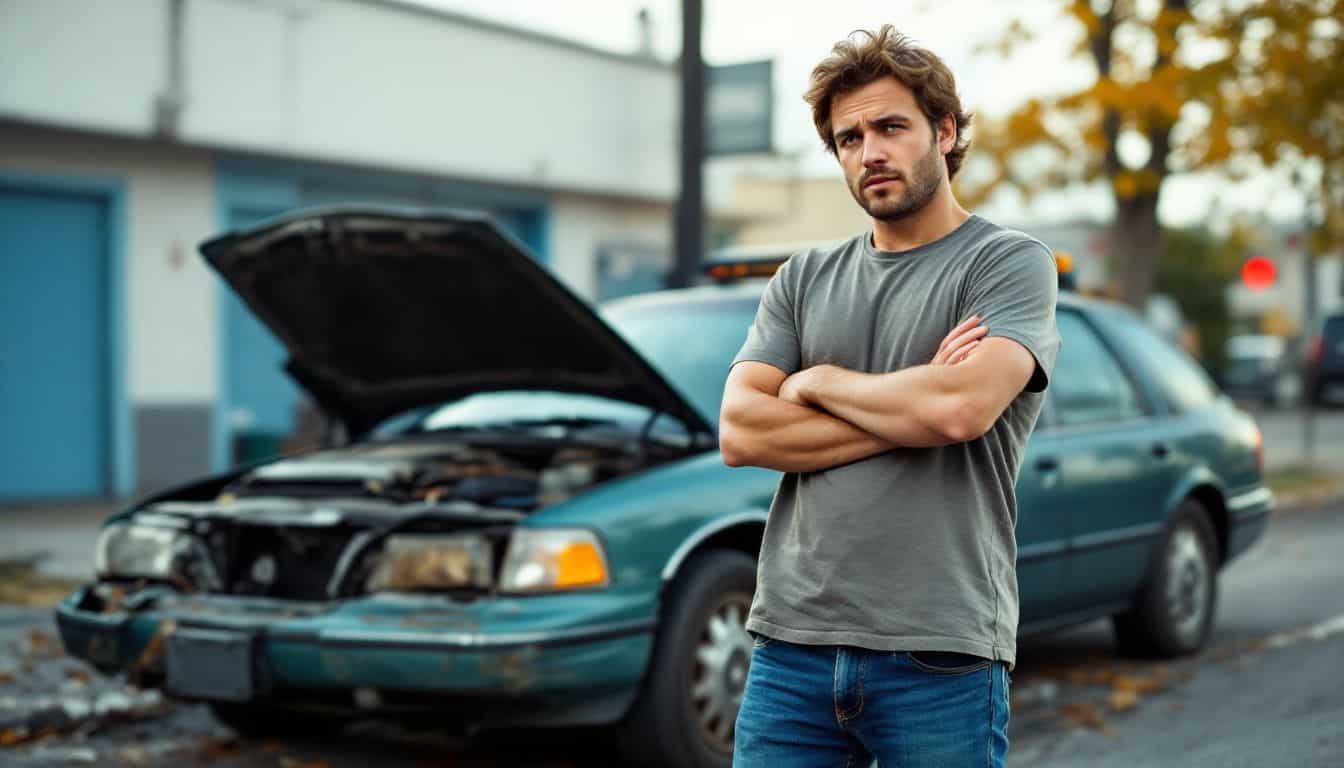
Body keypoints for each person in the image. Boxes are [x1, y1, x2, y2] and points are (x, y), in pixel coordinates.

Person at [720, 25, 1061, 767]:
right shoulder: (803, 278)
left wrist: (819, 385)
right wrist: (911, 409)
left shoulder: (1007, 264)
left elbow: (960, 410)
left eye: (890, 127)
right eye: (848, 138)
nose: (868, 150)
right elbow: (742, 432)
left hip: (938, 650)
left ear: (943, 131)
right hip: (790, 646)